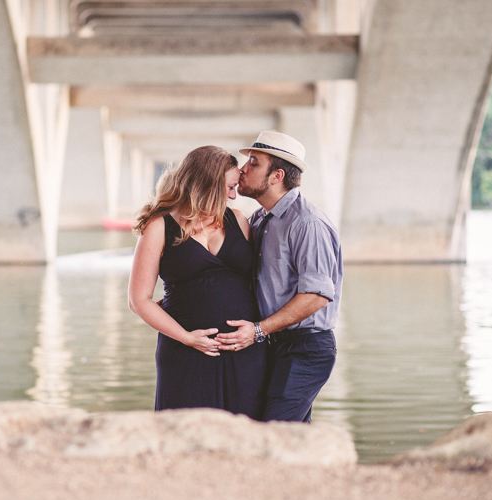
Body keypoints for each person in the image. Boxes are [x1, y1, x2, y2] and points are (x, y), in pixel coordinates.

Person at [128, 145, 268, 420]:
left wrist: (259, 331)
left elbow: (259, 283)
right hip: (184, 353)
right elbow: (138, 300)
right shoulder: (159, 226)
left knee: (245, 437)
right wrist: (188, 338)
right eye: (229, 187)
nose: (233, 194)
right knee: (182, 435)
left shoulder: (238, 220)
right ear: (208, 185)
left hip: (243, 351)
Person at [216, 131, 343, 423]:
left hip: (305, 348)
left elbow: (316, 296)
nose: (243, 168)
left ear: (277, 176)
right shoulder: (261, 219)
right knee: (291, 433)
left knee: (275, 429)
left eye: (254, 162)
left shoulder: (307, 223)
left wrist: (258, 330)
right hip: (274, 343)